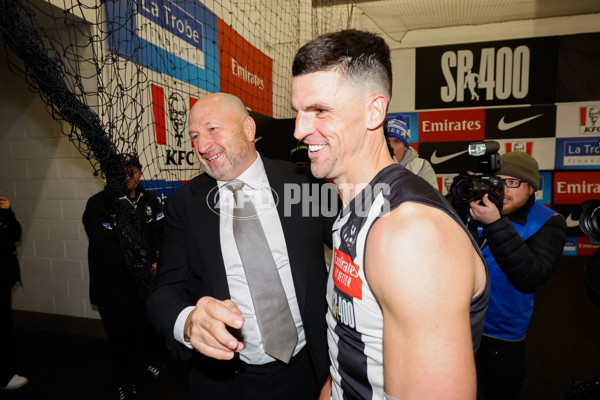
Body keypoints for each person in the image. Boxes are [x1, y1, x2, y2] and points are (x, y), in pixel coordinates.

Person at [291, 29, 490, 400]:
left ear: (374, 111)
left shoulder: (409, 236)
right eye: (299, 112)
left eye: (320, 110)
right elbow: (351, 344)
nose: (300, 130)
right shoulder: (356, 202)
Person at [146, 93, 333, 400]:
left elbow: (352, 244)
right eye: (194, 136)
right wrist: (190, 321)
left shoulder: (302, 183)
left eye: (212, 129)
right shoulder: (185, 205)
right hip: (227, 380)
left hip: (310, 368)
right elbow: (164, 289)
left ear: (248, 130)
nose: (202, 147)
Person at [468, 151, 567, 400]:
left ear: (531, 187)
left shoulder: (548, 221)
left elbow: (531, 275)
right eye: (496, 181)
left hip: (500, 333)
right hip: (458, 324)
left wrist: (495, 224)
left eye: (512, 182)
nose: (502, 190)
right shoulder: (474, 208)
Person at [82, 155, 166, 400]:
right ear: (111, 175)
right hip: (114, 288)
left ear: (140, 173)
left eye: (133, 170)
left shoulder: (149, 199)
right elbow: (107, 247)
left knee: (148, 329)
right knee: (121, 339)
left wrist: (157, 261)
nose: (128, 176)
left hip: (145, 285)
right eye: (122, 171)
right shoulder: (98, 204)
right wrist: (143, 264)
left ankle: (152, 364)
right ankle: (123, 382)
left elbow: (161, 235)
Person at [0, 195, 28, 391]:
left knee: (4, 324)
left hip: (4, 274)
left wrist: (8, 211)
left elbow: (16, 234)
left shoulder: (2, 209)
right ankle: (4, 376)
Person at [385, 117, 438, 187]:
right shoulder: (373, 165)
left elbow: (431, 197)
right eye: (387, 142)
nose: (391, 146)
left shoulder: (421, 166)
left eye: (397, 141)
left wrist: (398, 171)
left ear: (405, 147)